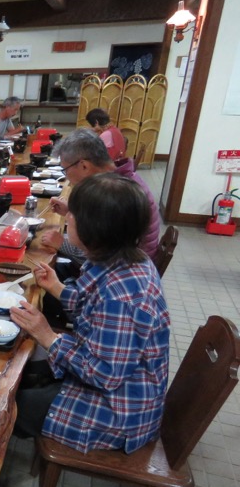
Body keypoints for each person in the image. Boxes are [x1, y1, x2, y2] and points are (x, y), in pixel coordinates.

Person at [10, 173, 170, 454]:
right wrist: (57, 288)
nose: (68, 218)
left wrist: (48, 336)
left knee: (4, 404)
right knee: (18, 371)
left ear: (94, 228)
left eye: (73, 214)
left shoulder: (121, 297)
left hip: (118, 413)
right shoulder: (126, 257)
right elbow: (95, 310)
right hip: (123, 388)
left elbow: (104, 375)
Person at [42, 128, 160, 260]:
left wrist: (61, 244)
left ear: (84, 166)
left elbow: (101, 256)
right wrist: (74, 213)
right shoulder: (119, 180)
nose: (67, 177)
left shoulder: (117, 193)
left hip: (126, 264)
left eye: (65, 170)